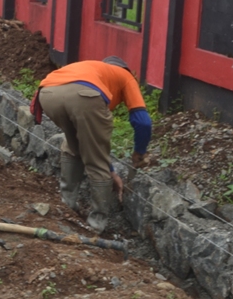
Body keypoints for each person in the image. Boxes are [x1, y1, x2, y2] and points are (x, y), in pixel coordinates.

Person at [32, 57, 152, 233]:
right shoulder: (125, 76)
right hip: (84, 96)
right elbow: (143, 123)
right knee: (97, 165)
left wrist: (110, 169)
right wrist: (139, 152)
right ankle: (96, 225)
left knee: (73, 146)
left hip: (48, 94)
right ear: (127, 70)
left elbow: (91, 144)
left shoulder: (91, 68)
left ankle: (66, 206)